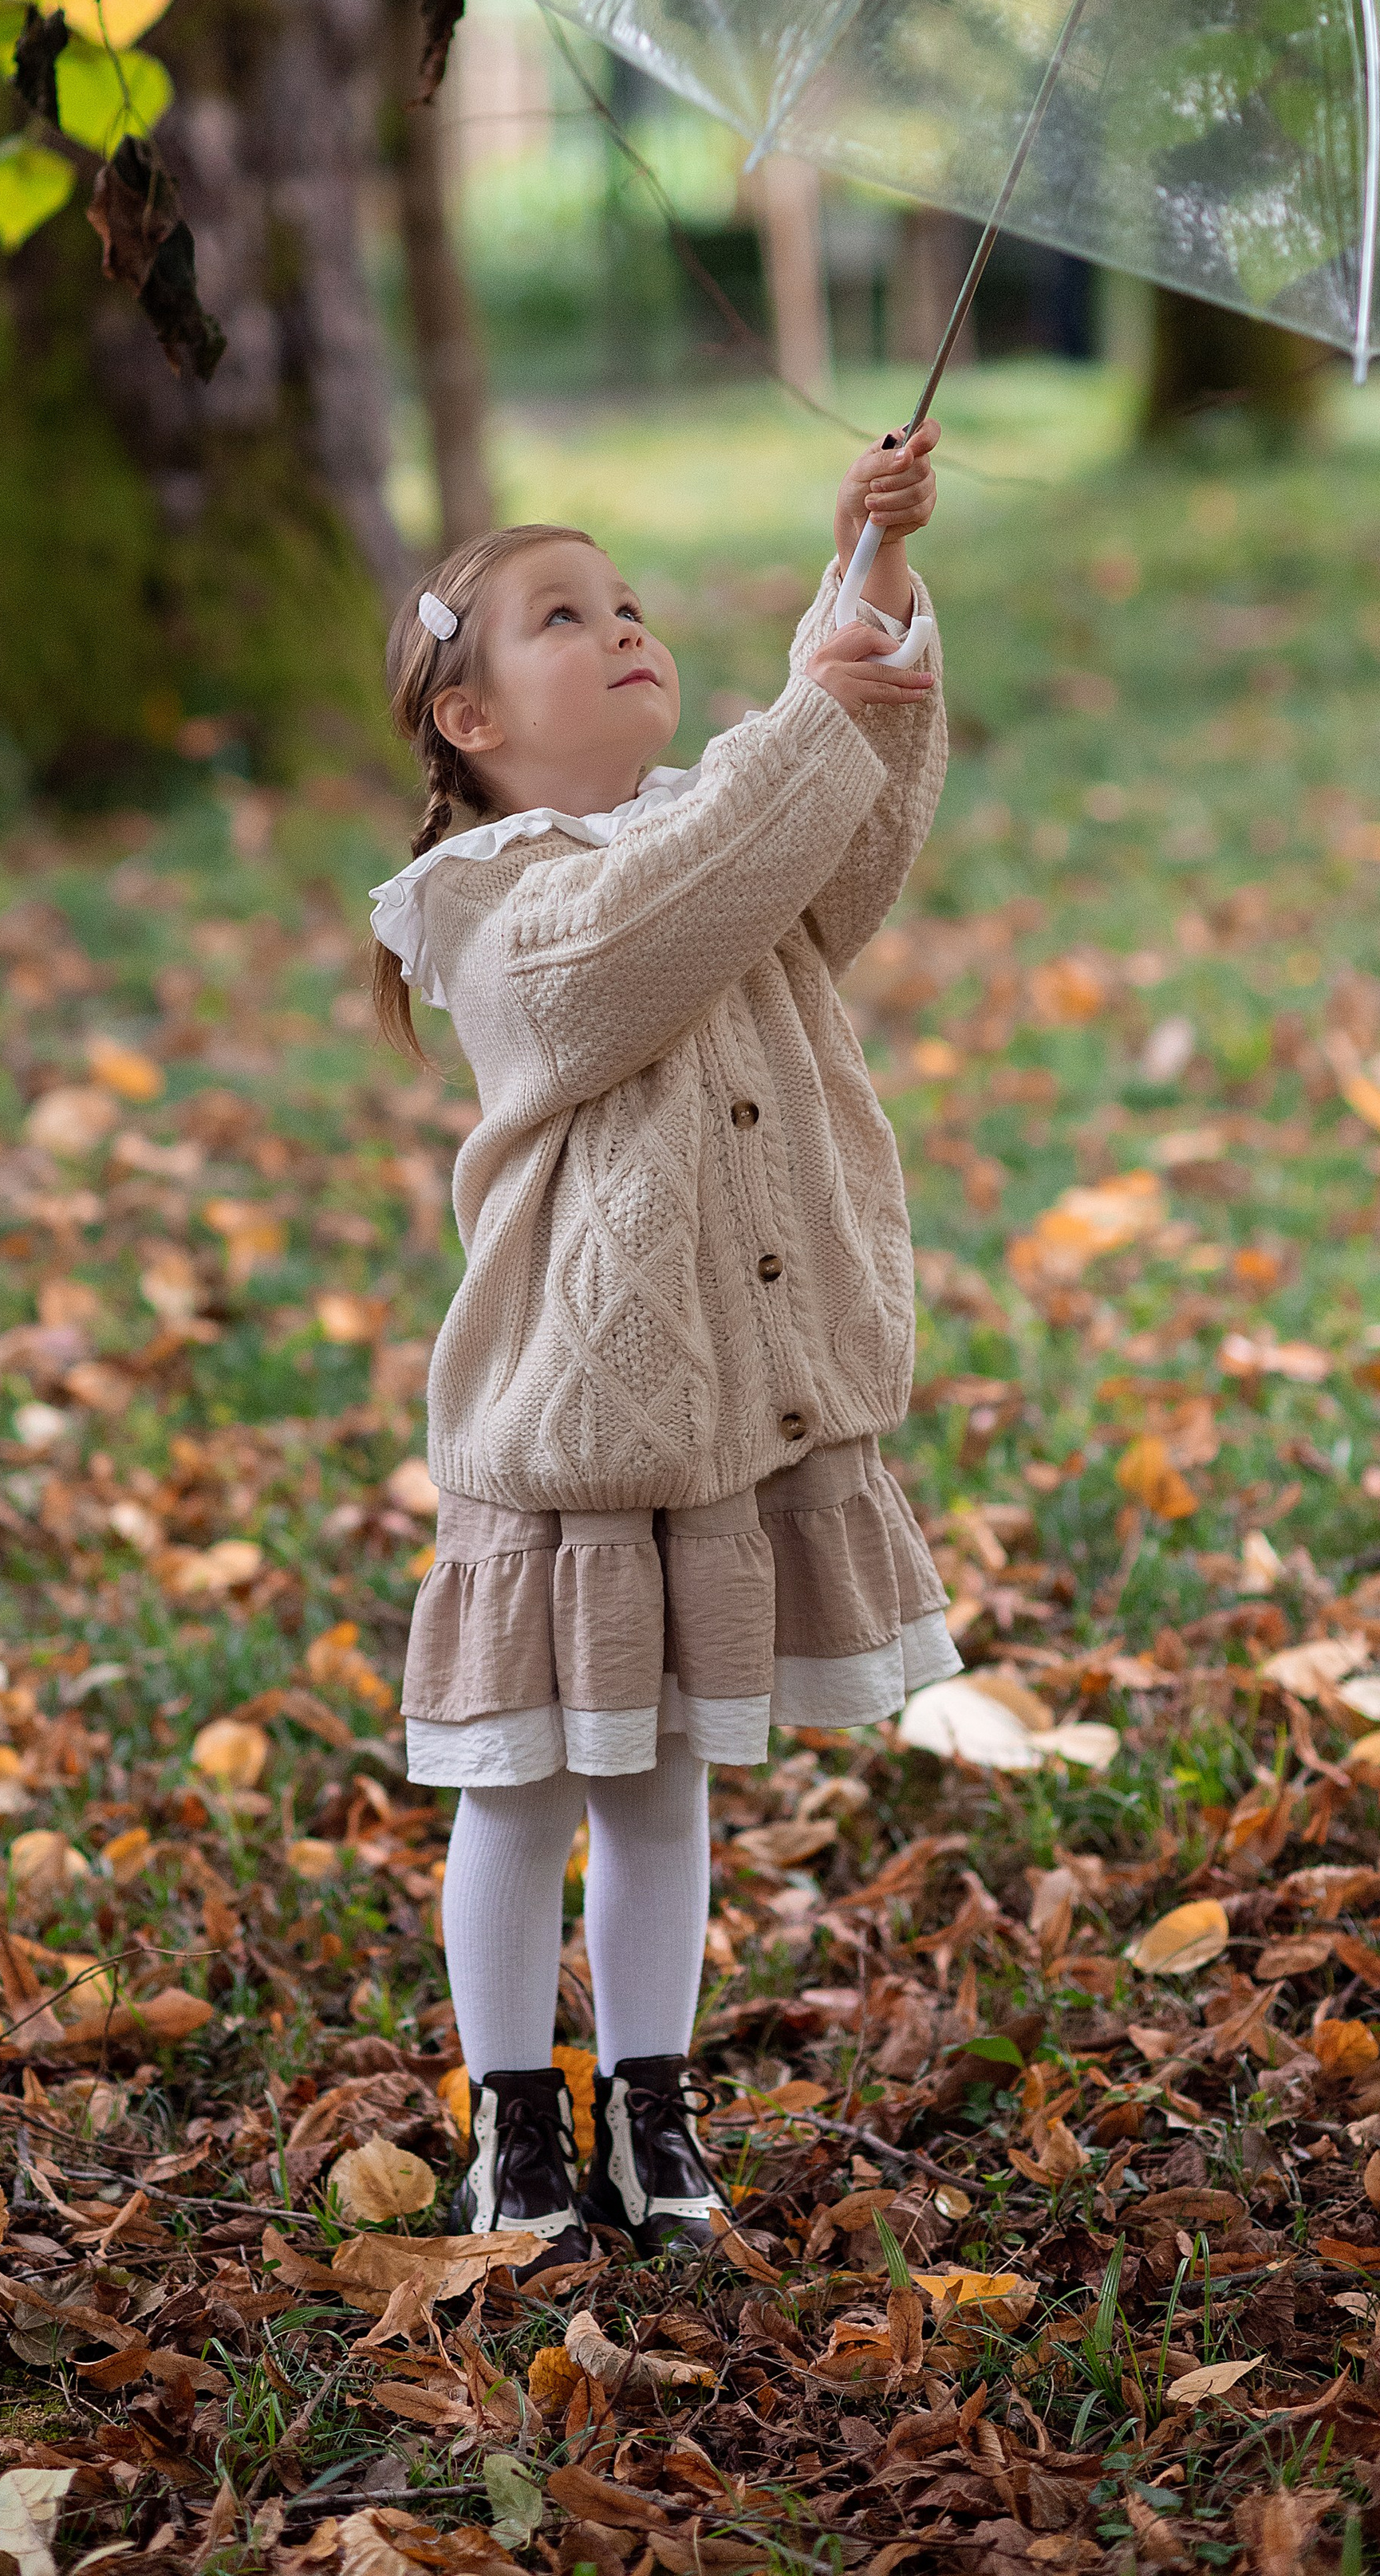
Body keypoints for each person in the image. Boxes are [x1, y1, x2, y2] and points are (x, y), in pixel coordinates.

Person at [367, 424, 958, 2269]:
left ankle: (650, 2099)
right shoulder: (493, 906)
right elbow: (637, 932)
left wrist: (865, 590)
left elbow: (830, 845)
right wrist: (805, 706)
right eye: (562, 615)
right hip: (566, 1434)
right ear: (467, 721)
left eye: (626, 602)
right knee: (523, 1792)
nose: (620, 626)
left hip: (710, 1426)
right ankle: (508, 2125)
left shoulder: (707, 836)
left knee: (661, 1782)